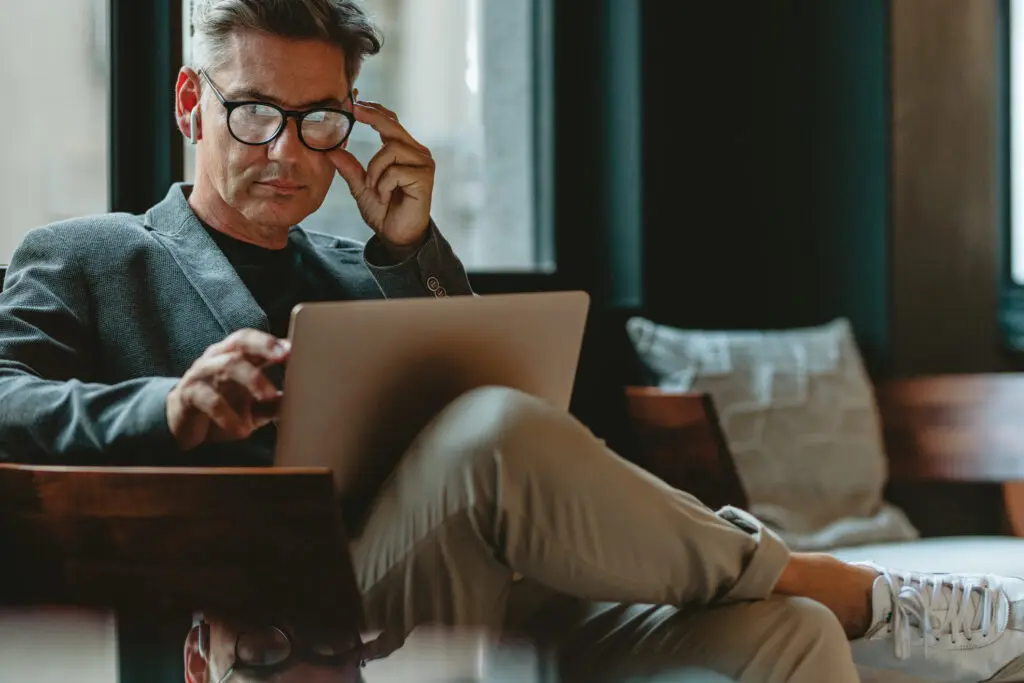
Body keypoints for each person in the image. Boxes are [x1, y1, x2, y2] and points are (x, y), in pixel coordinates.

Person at [0, 1, 1021, 682]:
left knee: (784, 636)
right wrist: (167, 406)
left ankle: (798, 589)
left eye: (320, 122)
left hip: (475, 587)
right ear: (191, 105)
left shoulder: (362, 271)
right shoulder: (88, 254)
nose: (286, 149)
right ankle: (829, 573)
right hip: (296, 614)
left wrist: (409, 245)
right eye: (256, 113)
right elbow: (6, 394)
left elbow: (505, 427)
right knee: (491, 431)